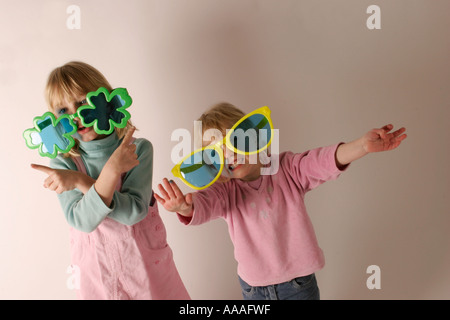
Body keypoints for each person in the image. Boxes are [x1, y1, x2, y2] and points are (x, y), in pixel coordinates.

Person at [155, 102, 407, 300]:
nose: (229, 155)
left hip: (298, 286)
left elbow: (320, 161)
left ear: (252, 136)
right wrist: (185, 207)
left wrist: (361, 145)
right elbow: (204, 203)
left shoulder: (286, 169)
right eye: (216, 153)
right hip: (253, 290)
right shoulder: (225, 191)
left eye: (234, 141)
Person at [31, 61, 190, 300]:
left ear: (105, 99)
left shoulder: (138, 149)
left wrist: (82, 181)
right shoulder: (64, 165)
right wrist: (100, 174)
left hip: (146, 267)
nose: (77, 115)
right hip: (96, 273)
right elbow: (82, 220)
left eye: (82, 102)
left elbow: (134, 211)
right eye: (63, 110)